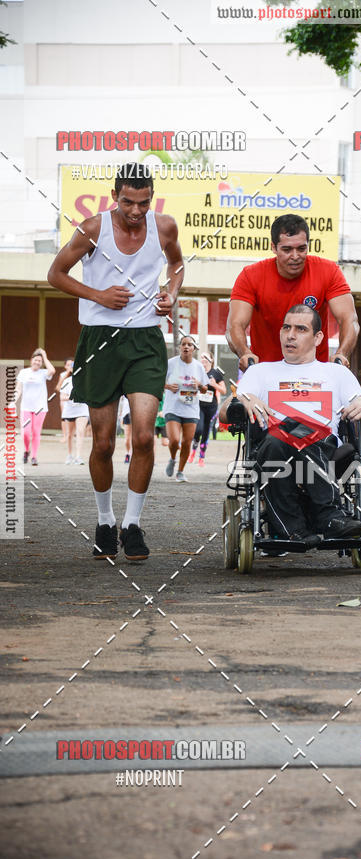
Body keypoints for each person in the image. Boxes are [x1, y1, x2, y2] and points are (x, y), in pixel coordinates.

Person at [47, 162, 184, 561]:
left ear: (151, 197)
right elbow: (55, 273)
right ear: (115, 196)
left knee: (142, 436)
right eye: (128, 201)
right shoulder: (92, 229)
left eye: (144, 202)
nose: (136, 210)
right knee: (104, 442)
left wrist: (171, 293)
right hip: (99, 340)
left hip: (145, 340)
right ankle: (105, 520)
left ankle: (133, 524)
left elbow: (176, 265)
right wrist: (97, 295)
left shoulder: (165, 228)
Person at [220, 305, 361, 543]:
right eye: (286, 327)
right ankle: (321, 518)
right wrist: (240, 399)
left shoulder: (337, 374)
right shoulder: (260, 373)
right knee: (280, 435)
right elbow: (225, 413)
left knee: (292, 428)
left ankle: (303, 524)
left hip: (326, 451)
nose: (290, 335)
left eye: (300, 329)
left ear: (318, 337)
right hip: (273, 452)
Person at [226, 214, 359, 370]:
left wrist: (342, 353)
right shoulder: (250, 276)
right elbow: (234, 325)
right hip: (266, 372)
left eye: (301, 249)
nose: (295, 256)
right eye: (287, 250)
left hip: (314, 374)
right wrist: (244, 353)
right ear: (274, 247)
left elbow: (349, 319)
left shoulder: (329, 271)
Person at [163, 336, 208, 482]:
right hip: (173, 407)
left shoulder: (198, 367)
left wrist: (199, 385)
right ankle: (172, 458)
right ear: (180, 347)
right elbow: (157, 380)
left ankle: (180, 472)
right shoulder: (171, 363)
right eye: (183, 344)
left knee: (187, 442)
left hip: (191, 408)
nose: (186, 347)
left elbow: (205, 389)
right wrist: (169, 386)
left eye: (189, 345)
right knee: (175, 440)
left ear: (194, 348)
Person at [15, 348, 55, 465]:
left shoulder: (43, 373)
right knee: (26, 432)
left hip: (40, 408)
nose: (37, 362)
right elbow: (18, 389)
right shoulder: (24, 373)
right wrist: (13, 401)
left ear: (42, 363)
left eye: (40, 361)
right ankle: (27, 450)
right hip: (26, 407)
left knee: (36, 432)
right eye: (35, 360)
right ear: (31, 360)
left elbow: (52, 370)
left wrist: (44, 355)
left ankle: (34, 456)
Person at [189, 351, 226, 466]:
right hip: (198, 405)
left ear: (211, 360)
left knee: (206, 432)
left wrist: (214, 384)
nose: (203, 359)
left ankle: (201, 457)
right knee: (198, 429)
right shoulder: (197, 371)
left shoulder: (216, 373)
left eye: (206, 357)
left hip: (211, 407)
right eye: (202, 357)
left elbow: (223, 390)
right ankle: (193, 451)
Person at [57, 359, 88, 464]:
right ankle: (69, 455)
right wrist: (73, 397)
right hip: (69, 410)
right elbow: (62, 397)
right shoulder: (66, 381)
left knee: (80, 432)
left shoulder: (85, 380)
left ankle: (78, 456)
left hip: (82, 409)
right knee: (70, 434)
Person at [58, 358, 74, 444]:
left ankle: (71, 434)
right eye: (68, 365)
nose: (70, 366)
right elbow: (58, 387)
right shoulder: (63, 374)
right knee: (64, 418)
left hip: (74, 400)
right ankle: (65, 435)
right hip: (64, 398)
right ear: (65, 366)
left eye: (72, 364)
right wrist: (68, 372)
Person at [118, 396, 132, 463]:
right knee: (127, 439)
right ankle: (128, 453)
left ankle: (132, 454)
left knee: (135, 438)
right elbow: (121, 404)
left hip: (136, 413)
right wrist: (120, 417)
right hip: (126, 414)